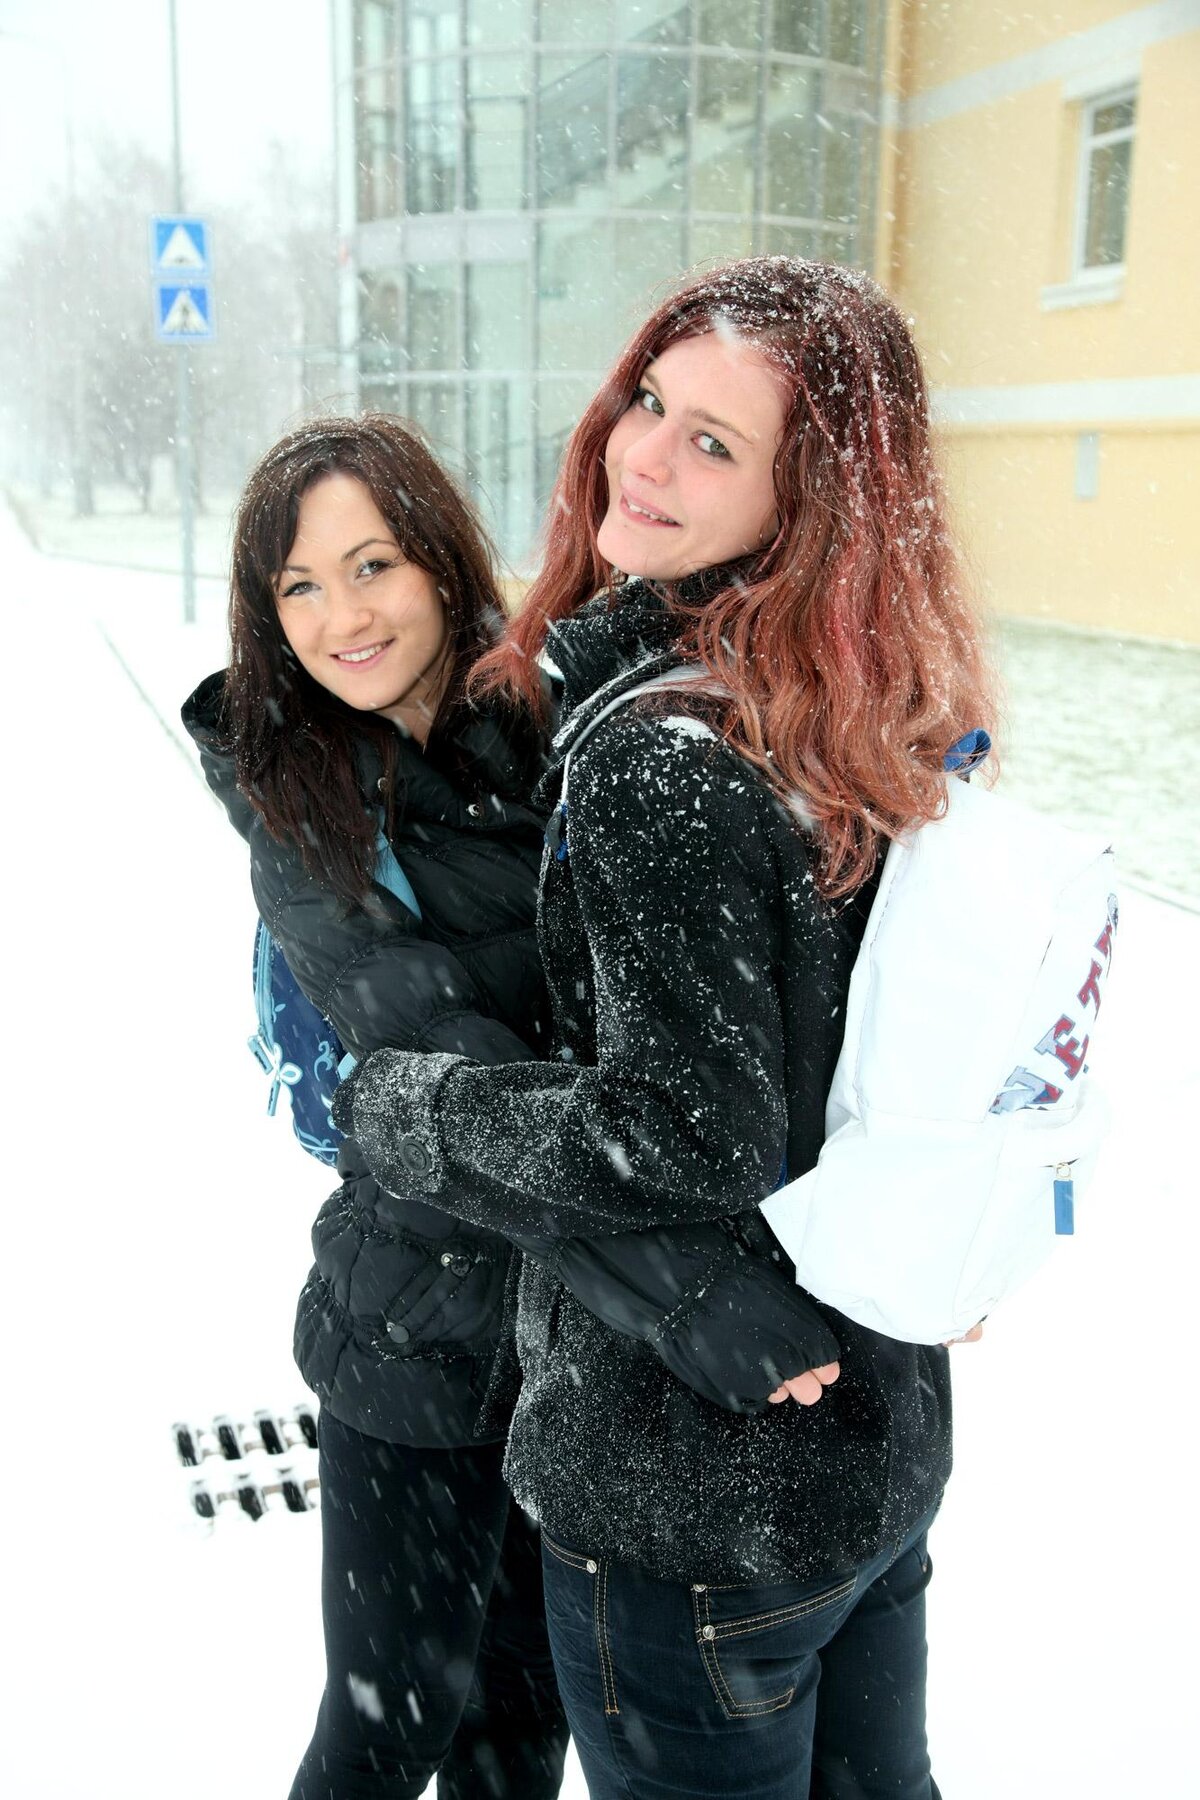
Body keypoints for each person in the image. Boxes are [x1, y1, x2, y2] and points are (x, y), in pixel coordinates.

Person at [333, 260, 998, 1800]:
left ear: (805, 499)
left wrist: (420, 1112)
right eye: (650, 400)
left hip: (690, 1500)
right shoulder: (859, 710)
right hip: (868, 1456)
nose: (640, 454)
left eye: (713, 443)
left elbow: (683, 1132)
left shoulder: (665, 762)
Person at [182, 413, 841, 1800]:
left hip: (580, 1356)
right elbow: (452, 1066)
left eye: (372, 565)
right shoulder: (299, 804)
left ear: (438, 558)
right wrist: (687, 1295)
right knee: (385, 1728)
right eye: (299, 586)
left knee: (520, 1727)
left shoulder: (560, 711)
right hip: (416, 1331)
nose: (343, 617)